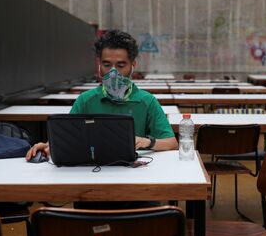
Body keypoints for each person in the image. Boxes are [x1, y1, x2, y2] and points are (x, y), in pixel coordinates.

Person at [26, 29, 178, 160]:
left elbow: (172, 143)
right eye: (106, 65)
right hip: (91, 172)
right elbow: (66, 138)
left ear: (133, 65)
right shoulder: (86, 100)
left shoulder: (147, 101)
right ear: (99, 65)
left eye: (121, 65)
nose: (113, 72)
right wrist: (48, 146)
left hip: (133, 174)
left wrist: (147, 142)